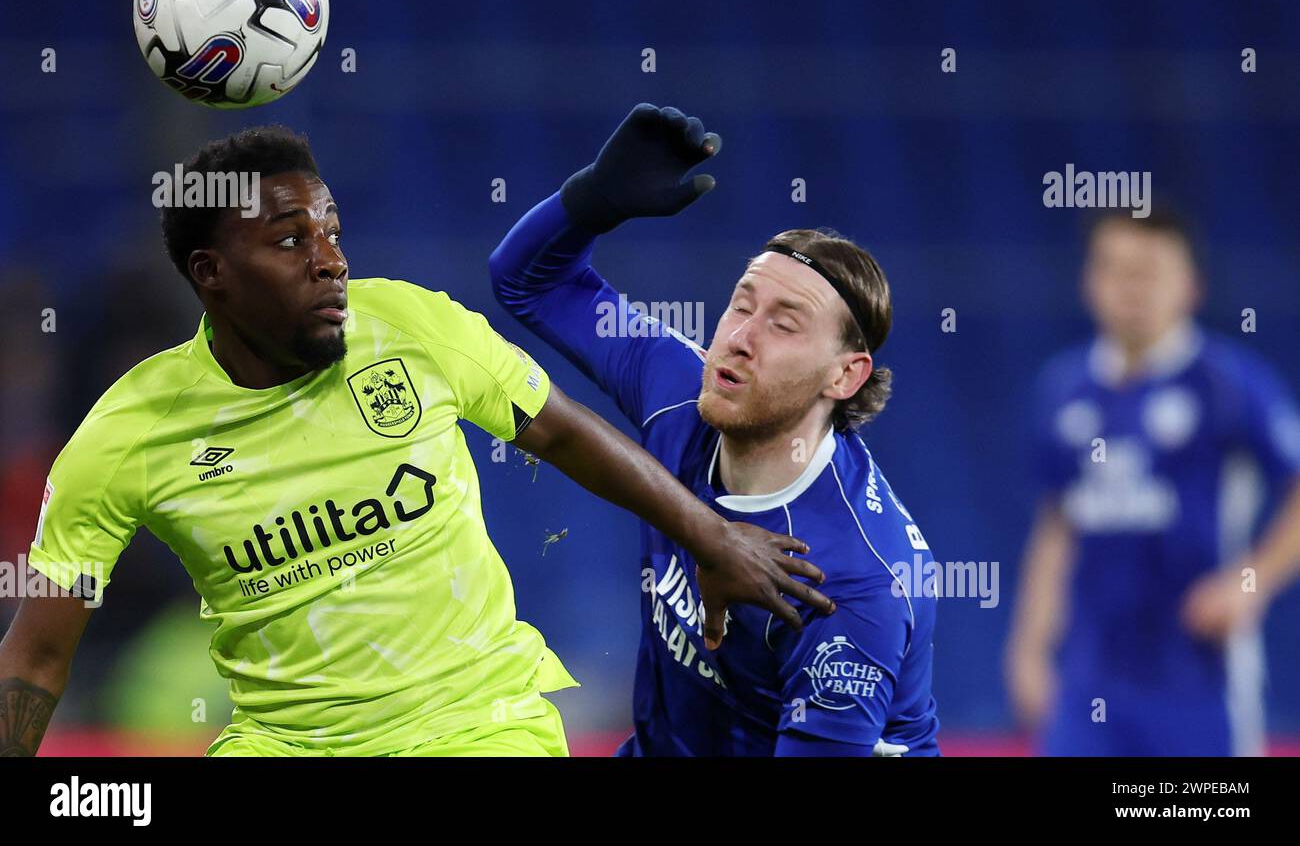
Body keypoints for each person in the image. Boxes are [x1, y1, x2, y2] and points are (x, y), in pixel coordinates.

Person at [0, 125, 835, 758]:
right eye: (292, 240)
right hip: (286, 744)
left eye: (332, 231)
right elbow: (38, 655)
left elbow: (561, 431)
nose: (330, 261)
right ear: (210, 274)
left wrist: (712, 535)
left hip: (478, 722)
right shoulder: (126, 436)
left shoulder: (406, 324)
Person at [490, 104, 940, 756]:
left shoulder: (851, 584)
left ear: (844, 376)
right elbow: (528, 282)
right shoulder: (681, 389)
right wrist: (591, 201)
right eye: (741, 304)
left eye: (784, 324)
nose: (740, 338)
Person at [1005, 209, 1300, 756]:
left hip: (1200, 680)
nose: (1130, 287)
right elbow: (1057, 525)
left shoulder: (1229, 382)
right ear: (1089, 282)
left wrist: (1249, 581)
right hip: (1089, 683)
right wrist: (1028, 647)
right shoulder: (1064, 388)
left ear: (1190, 285)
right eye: (1114, 268)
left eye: (1149, 271)